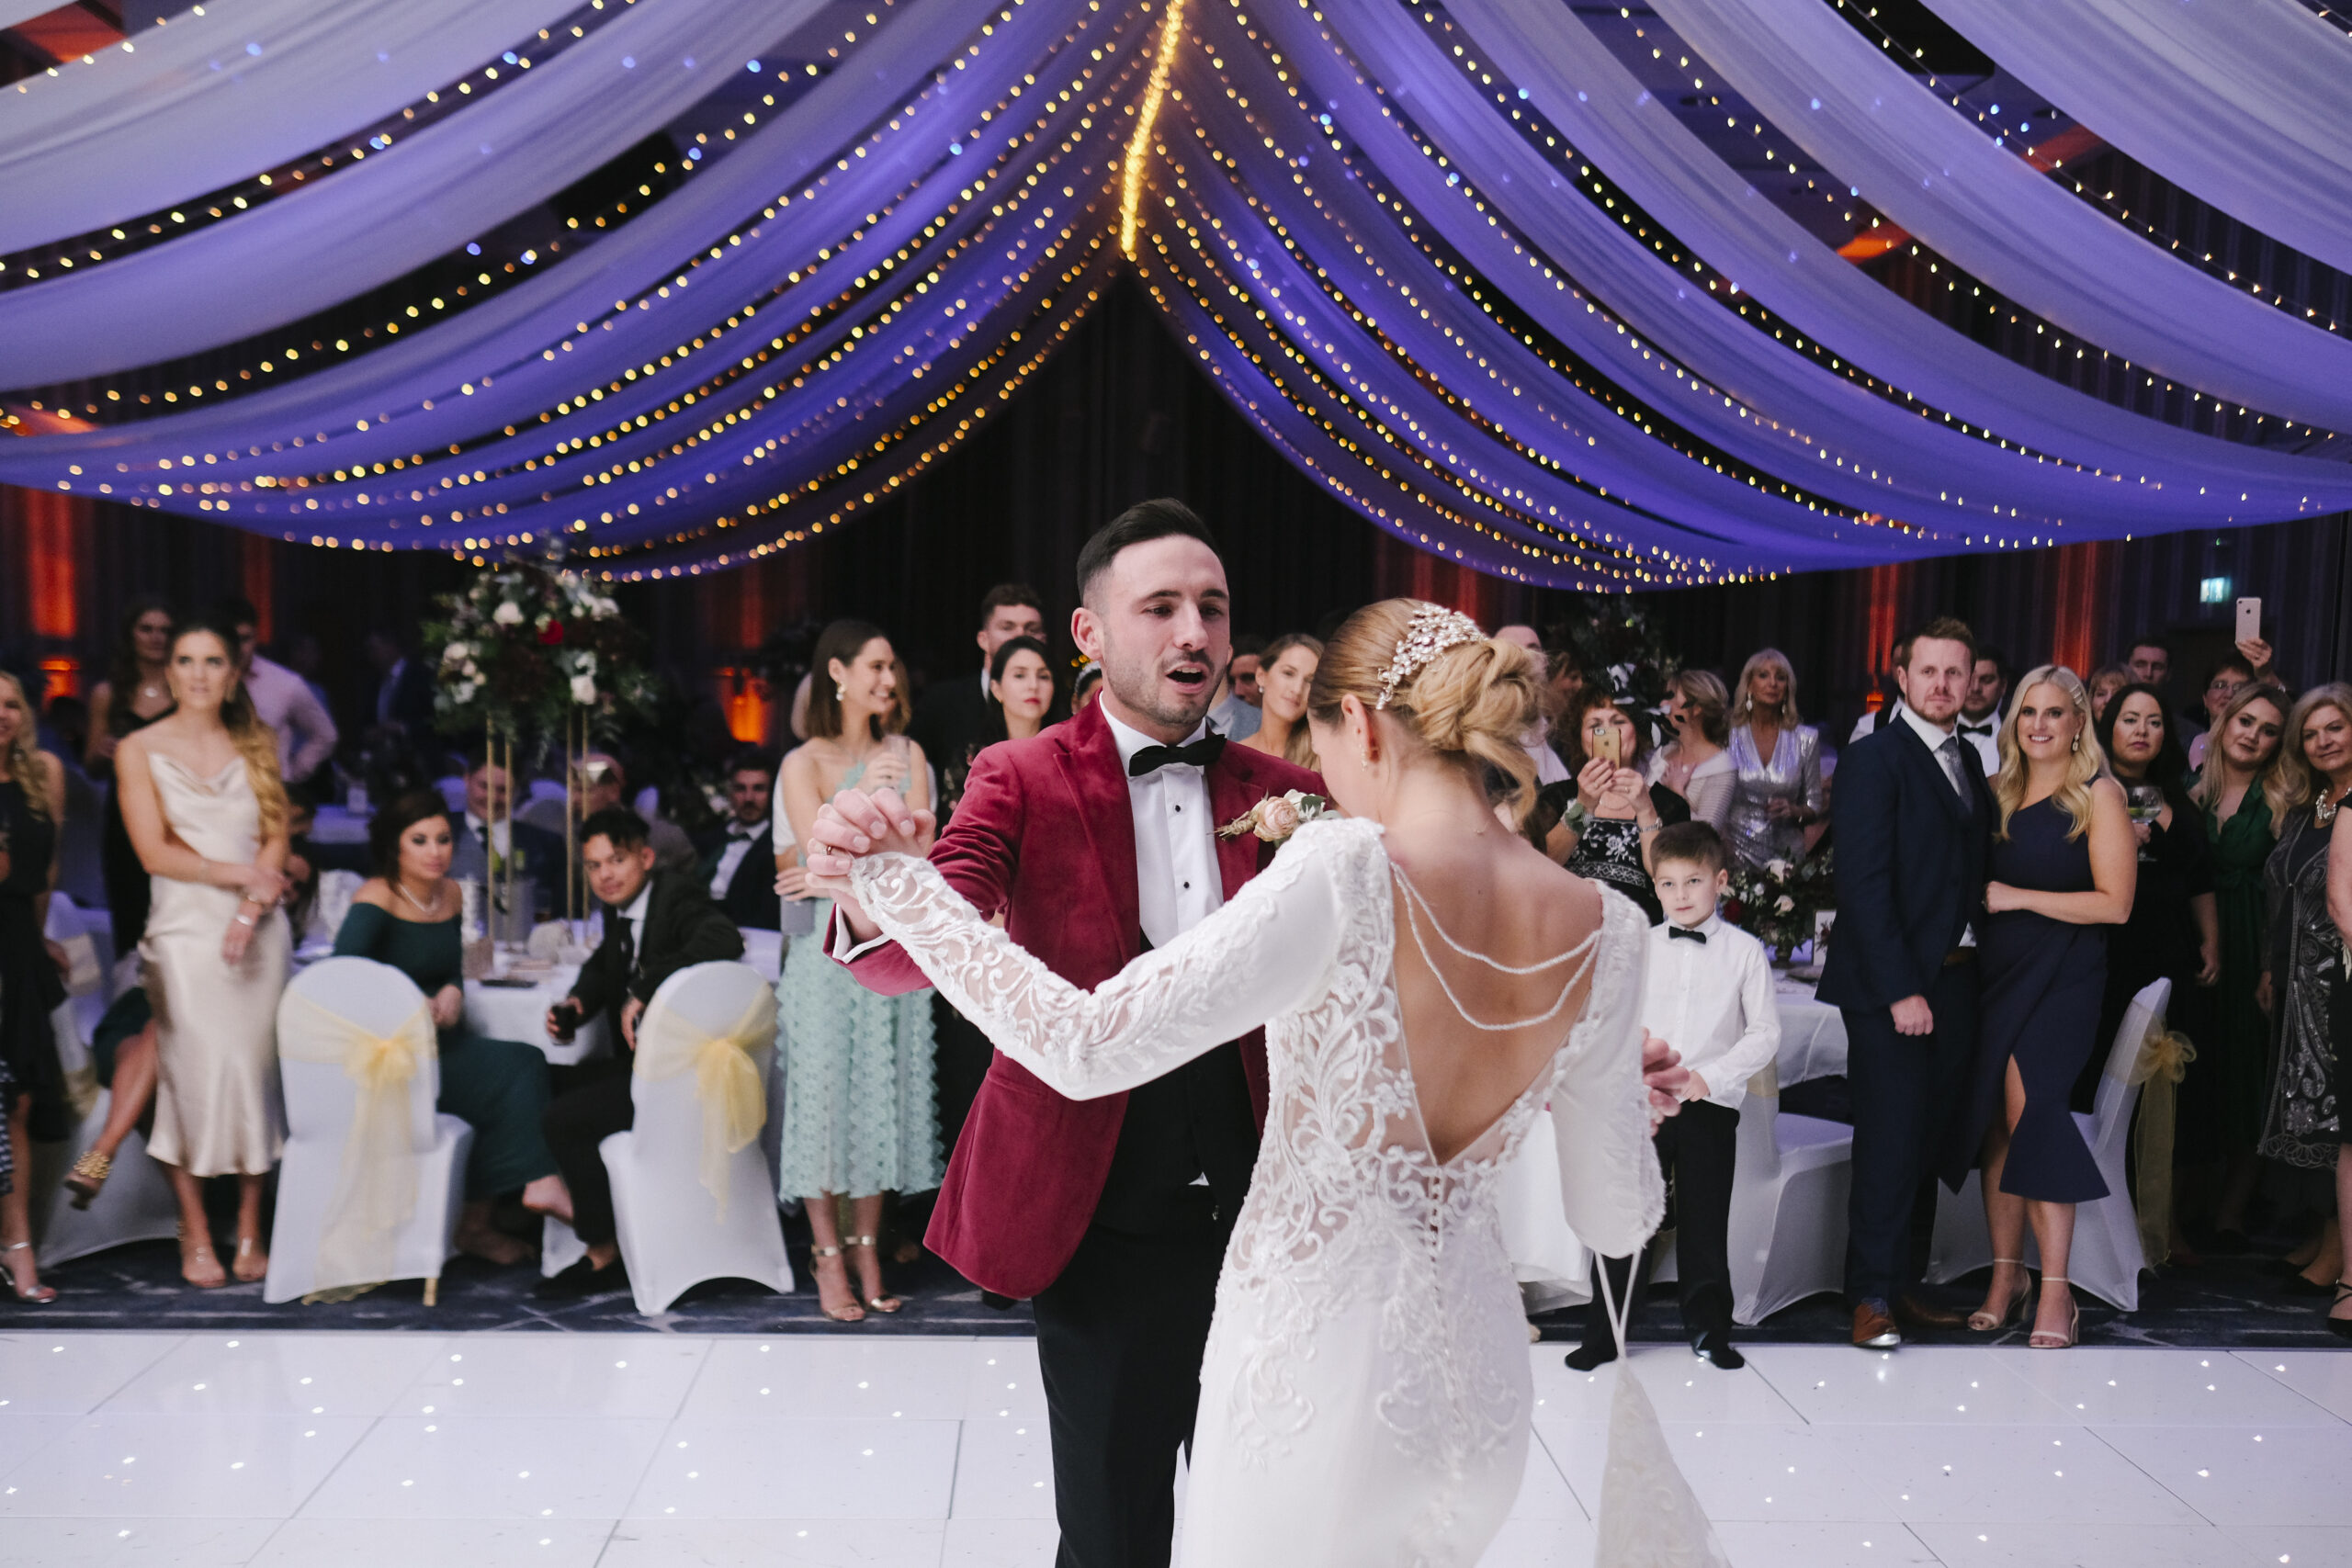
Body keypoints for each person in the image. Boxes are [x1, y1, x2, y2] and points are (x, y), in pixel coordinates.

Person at [809, 592, 1690, 1568]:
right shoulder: (1609, 929)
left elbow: (1084, 1041)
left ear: (1355, 723)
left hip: (1308, 1377)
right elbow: (1616, 1221)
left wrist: (901, 888)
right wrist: (1593, 1091)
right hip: (1476, 1396)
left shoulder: (1347, 868)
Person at [815, 501, 1327, 1563]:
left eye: (1212, 609)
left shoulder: (1295, 799)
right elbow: (923, 950)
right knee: (1108, 1529)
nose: (1194, 632)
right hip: (1097, 1215)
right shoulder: (1021, 777)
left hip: (1270, 1218)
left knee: (1276, 1524)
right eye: (1162, 608)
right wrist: (885, 890)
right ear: (1089, 635)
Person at [1816, 617, 1990, 1349]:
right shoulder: (1874, 757)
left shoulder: (1971, 763)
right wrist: (1899, 989)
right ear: (1903, 676)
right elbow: (1862, 883)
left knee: (1928, 1140)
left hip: (1957, 981)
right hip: (1895, 989)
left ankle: (1906, 1283)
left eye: (1957, 673)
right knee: (1889, 1143)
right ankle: (1871, 1297)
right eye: (1930, 672)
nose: (1944, 685)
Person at [1949, 667, 2134, 1350]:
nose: (2039, 724)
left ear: (2079, 722)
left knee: (2033, 1111)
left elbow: (2116, 903)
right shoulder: (1995, 791)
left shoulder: (2099, 795)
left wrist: (2017, 897)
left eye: (2055, 712)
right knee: (1997, 1118)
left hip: (2066, 975)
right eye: (2028, 711)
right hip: (1996, 973)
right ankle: (2006, 1278)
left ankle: (2056, 1290)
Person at [115, 612, 294, 1289]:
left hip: (260, 928)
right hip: (184, 928)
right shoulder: (139, 747)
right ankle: (194, 1228)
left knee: (254, 1075)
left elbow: (276, 836)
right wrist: (239, 875)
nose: (197, 673)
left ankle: (250, 1224)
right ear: (168, 673)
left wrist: (253, 905)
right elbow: (152, 851)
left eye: (212, 661)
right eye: (185, 661)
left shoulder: (259, 741)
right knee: (191, 1077)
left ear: (233, 674)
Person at [775, 619, 943, 1321]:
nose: (888, 679)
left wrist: (839, 870)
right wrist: (862, 792)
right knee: (822, 1108)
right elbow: (812, 862)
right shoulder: (802, 762)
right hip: (822, 961)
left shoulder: (911, 754)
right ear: (838, 673)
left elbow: (926, 862)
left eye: (892, 666)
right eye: (875, 666)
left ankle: (871, 1248)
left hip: (891, 954)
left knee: (882, 1101)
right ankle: (827, 1259)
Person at [1568, 820, 1777, 1372]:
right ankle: (1604, 1333)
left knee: (1706, 1219)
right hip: (1642, 1104)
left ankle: (1710, 1330)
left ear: (1721, 881)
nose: (1680, 896)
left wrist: (1709, 1075)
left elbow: (1765, 1033)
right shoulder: (1636, 947)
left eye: (1693, 882)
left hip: (1710, 1104)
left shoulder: (1745, 953)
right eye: (1668, 884)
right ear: (1654, 885)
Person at [331, 792, 559, 1266]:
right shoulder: (376, 898)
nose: (436, 851)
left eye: (443, 839)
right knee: (520, 1066)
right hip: (393, 1058)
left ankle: (482, 1219)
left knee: (518, 1067)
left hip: (444, 1045)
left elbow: (449, 967)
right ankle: (525, 1192)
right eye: (420, 841)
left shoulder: (451, 893)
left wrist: (454, 988)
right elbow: (342, 985)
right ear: (395, 848)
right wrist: (410, 1006)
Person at [534, 807, 744, 1297]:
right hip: (645, 1068)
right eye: (594, 865)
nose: (605, 874)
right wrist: (575, 1005)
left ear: (646, 857)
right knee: (548, 1081)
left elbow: (723, 937)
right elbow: (606, 962)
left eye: (617, 860)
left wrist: (648, 987)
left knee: (564, 1118)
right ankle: (584, 1212)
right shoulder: (624, 908)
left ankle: (603, 1248)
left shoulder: (674, 895)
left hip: (681, 1078)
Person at [2257, 683, 2352, 1309]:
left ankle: (2338, 1252)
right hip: (2292, 980)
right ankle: (2328, 1241)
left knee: (2335, 1114)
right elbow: (2284, 893)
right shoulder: (2310, 805)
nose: (2323, 740)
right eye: (2312, 732)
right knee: (2307, 1113)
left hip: (2333, 980)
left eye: (2335, 727)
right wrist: (2268, 967)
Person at [2188, 682, 2290, 1245]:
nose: (2253, 735)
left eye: (2268, 729)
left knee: (2250, 1072)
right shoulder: (2187, 791)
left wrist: (2272, 965)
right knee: (2197, 1069)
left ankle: (2231, 1210)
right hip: (2196, 945)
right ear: (2224, 721)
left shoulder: (2285, 798)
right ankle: (2188, 1204)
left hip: (2255, 943)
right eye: (2245, 721)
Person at [2090, 685, 2218, 1126]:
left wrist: (2211, 940)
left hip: (2171, 951)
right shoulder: (2089, 790)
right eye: (2129, 719)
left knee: (2163, 1092)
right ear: (2109, 728)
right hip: (2110, 949)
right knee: (2105, 1073)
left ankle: (2153, 1193)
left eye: (2154, 721)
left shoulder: (2180, 796)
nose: (2141, 730)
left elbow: (2199, 877)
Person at [0, 671, 70, 1303]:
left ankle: (18, 1245)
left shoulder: (42, 774)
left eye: (11, 703)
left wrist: (43, 941)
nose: (2, 714)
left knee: (16, 1100)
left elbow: (43, 872)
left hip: (16, 946)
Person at [1560, 691, 1688, 921]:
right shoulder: (1557, 797)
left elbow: (1670, 880)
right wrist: (1583, 807)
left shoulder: (1669, 805)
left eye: (1619, 722)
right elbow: (1545, 862)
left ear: (1638, 732)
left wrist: (1645, 811)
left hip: (1638, 935)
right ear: (1580, 738)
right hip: (1570, 930)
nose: (1610, 733)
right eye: (1595, 726)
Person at [908, 583, 1049, 775]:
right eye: (1007, 627)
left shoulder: (1058, 709)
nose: (1020, 637)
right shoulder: (941, 703)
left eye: (1031, 629)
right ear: (983, 639)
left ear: (1043, 639)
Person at [216, 596, 338, 788]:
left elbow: (326, 735)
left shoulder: (285, 683)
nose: (239, 648)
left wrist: (291, 774)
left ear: (256, 637)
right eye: (231, 639)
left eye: (246, 639)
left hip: (270, 797)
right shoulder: (202, 682)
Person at [1724, 648, 1825, 870]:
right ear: (1749, 684)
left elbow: (1815, 805)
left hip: (1786, 857)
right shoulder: (1727, 735)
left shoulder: (1806, 739)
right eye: (1763, 675)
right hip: (1734, 853)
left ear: (1788, 688)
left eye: (1781, 677)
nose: (1773, 683)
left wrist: (1795, 811)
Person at [449, 750, 569, 895]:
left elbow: (568, 909)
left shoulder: (548, 845)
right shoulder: (439, 833)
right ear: (467, 780)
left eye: (503, 790)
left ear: (517, 791)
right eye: (484, 787)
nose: (493, 798)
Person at [695, 750, 783, 931]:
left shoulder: (778, 847)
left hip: (744, 933)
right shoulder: (711, 837)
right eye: (741, 789)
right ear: (730, 792)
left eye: (758, 789)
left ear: (772, 793)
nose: (749, 798)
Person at [1650, 669, 1735, 831]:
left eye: (1671, 697)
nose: (1662, 705)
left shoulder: (1721, 766)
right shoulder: (1662, 754)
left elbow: (1707, 833)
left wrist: (1676, 793)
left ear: (1696, 708)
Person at [2186, 638, 2278, 768]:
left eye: (2240, 687)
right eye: (2219, 685)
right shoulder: (2185, 743)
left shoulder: (2260, 747)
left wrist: (2268, 677)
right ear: (2205, 698)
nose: (2229, 694)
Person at [1237, 632, 1321, 769]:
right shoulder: (1235, 755)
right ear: (1261, 676)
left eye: (1310, 681)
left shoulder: (1324, 758)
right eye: (1288, 673)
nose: (1297, 689)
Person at [989, 636, 1057, 744]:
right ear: (996, 689)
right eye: (1020, 675)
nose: (1034, 686)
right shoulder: (973, 757)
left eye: (1043, 676)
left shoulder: (1068, 755)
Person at [1956, 647, 2008, 774]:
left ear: (2003, 686)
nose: (1975, 688)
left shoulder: (2017, 739)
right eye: (1969, 679)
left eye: (1986, 680)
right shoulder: (1929, 733)